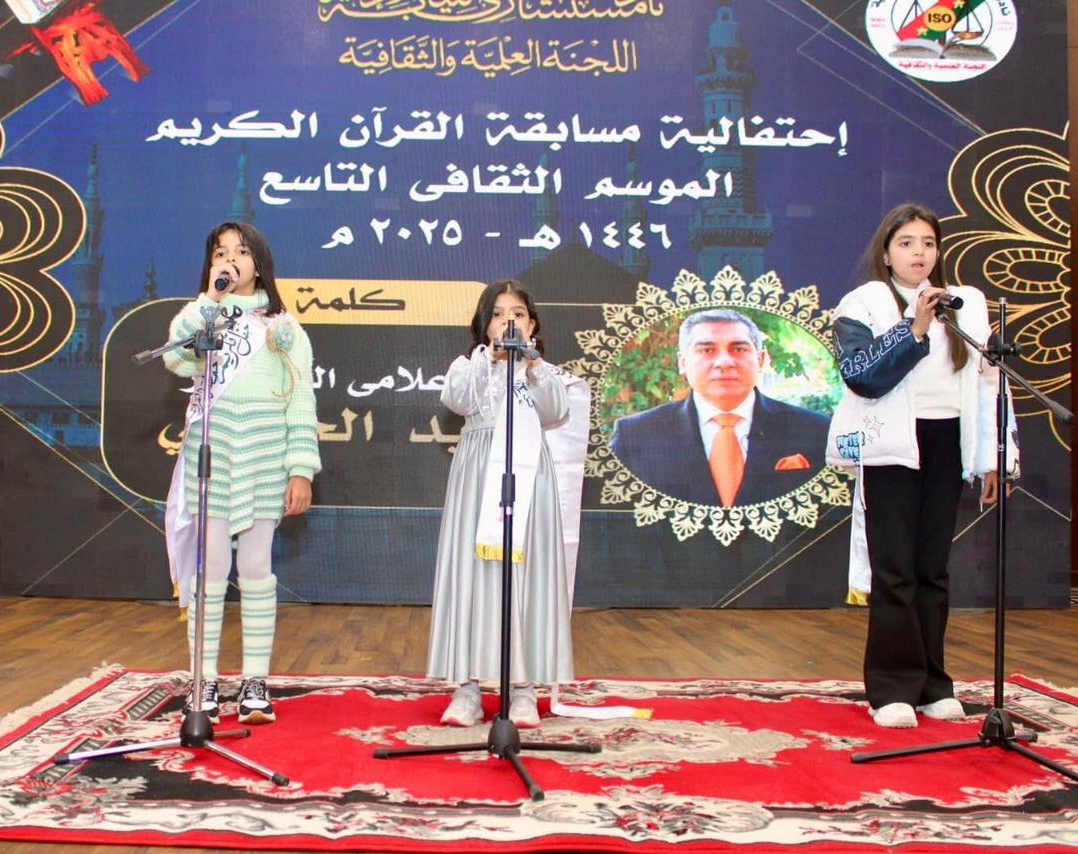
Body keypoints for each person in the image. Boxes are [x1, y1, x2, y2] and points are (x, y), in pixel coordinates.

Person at [827, 202, 1018, 729]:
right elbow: (861, 376)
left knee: (932, 569)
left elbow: (988, 384)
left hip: (946, 442)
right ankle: (891, 688)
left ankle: (934, 683)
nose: (920, 253)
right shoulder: (864, 303)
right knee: (895, 571)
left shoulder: (965, 305)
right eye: (907, 243)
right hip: (891, 446)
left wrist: (994, 459)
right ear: (887, 253)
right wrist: (913, 328)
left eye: (928, 243)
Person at [163, 221, 320, 724]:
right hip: (212, 454)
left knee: (255, 568)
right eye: (220, 253)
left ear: (260, 263)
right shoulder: (205, 319)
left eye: (240, 252)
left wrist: (301, 470)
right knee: (210, 571)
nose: (229, 260)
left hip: (264, 455)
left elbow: (301, 402)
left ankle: (255, 681)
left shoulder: (285, 329)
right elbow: (177, 361)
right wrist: (210, 300)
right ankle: (204, 681)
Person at [426, 280, 577, 728]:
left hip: (528, 480)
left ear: (532, 324)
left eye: (518, 313)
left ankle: (524, 691)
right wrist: (489, 358)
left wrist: (531, 365)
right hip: (478, 478)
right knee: (472, 577)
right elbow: (457, 399)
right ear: (483, 324)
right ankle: (467, 690)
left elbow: (556, 411)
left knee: (525, 578)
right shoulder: (469, 364)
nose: (508, 320)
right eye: (497, 313)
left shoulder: (541, 371)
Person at [610, 308, 830, 507]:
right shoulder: (635, 435)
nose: (724, 362)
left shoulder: (817, 431)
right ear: (683, 362)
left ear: (761, 360)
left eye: (739, 349)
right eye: (707, 350)